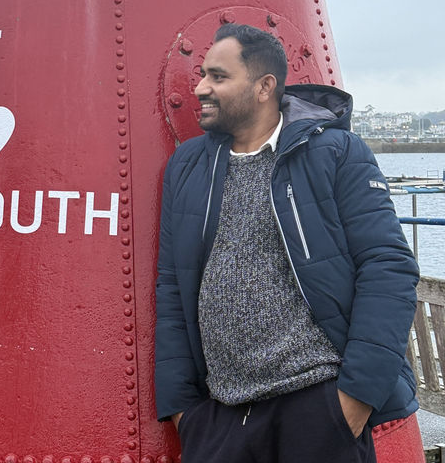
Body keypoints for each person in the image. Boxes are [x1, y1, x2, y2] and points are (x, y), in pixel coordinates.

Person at [154, 23, 419, 463]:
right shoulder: (187, 166)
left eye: (218, 77)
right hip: (219, 421)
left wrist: (353, 404)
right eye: (202, 74)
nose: (200, 87)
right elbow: (172, 287)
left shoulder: (336, 152)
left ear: (264, 87)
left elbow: (388, 267)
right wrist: (184, 411)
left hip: (317, 410)